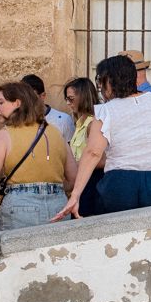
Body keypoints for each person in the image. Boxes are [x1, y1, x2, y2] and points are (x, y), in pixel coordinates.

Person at [55, 55, 151, 217]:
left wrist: (75, 195)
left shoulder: (106, 110)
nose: (100, 87)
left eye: (100, 81)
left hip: (120, 183)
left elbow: (93, 152)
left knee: (117, 230)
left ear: (109, 81)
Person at [0, 81, 76, 227]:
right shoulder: (56, 133)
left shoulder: (5, 135)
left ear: (17, 103)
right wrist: (49, 188)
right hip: (58, 205)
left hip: (20, 207)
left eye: (1, 102)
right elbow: (73, 178)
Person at [62, 77, 103, 216]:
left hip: (91, 182)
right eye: (66, 99)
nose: (68, 103)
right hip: (81, 183)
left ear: (83, 97)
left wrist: (74, 167)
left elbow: (101, 159)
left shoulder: (92, 124)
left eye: (71, 99)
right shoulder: (79, 124)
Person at [22, 73, 76, 146]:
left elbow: (71, 150)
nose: (26, 102)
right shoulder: (18, 122)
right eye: (22, 98)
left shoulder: (63, 120)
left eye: (31, 97)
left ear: (43, 96)